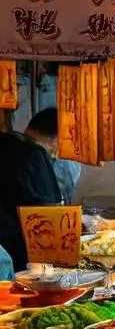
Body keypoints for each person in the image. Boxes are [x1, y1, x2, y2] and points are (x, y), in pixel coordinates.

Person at [0, 108, 63, 271]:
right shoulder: (36, 154)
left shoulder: (4, 141)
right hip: (18, 255)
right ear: (56, 140)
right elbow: (50, 214)